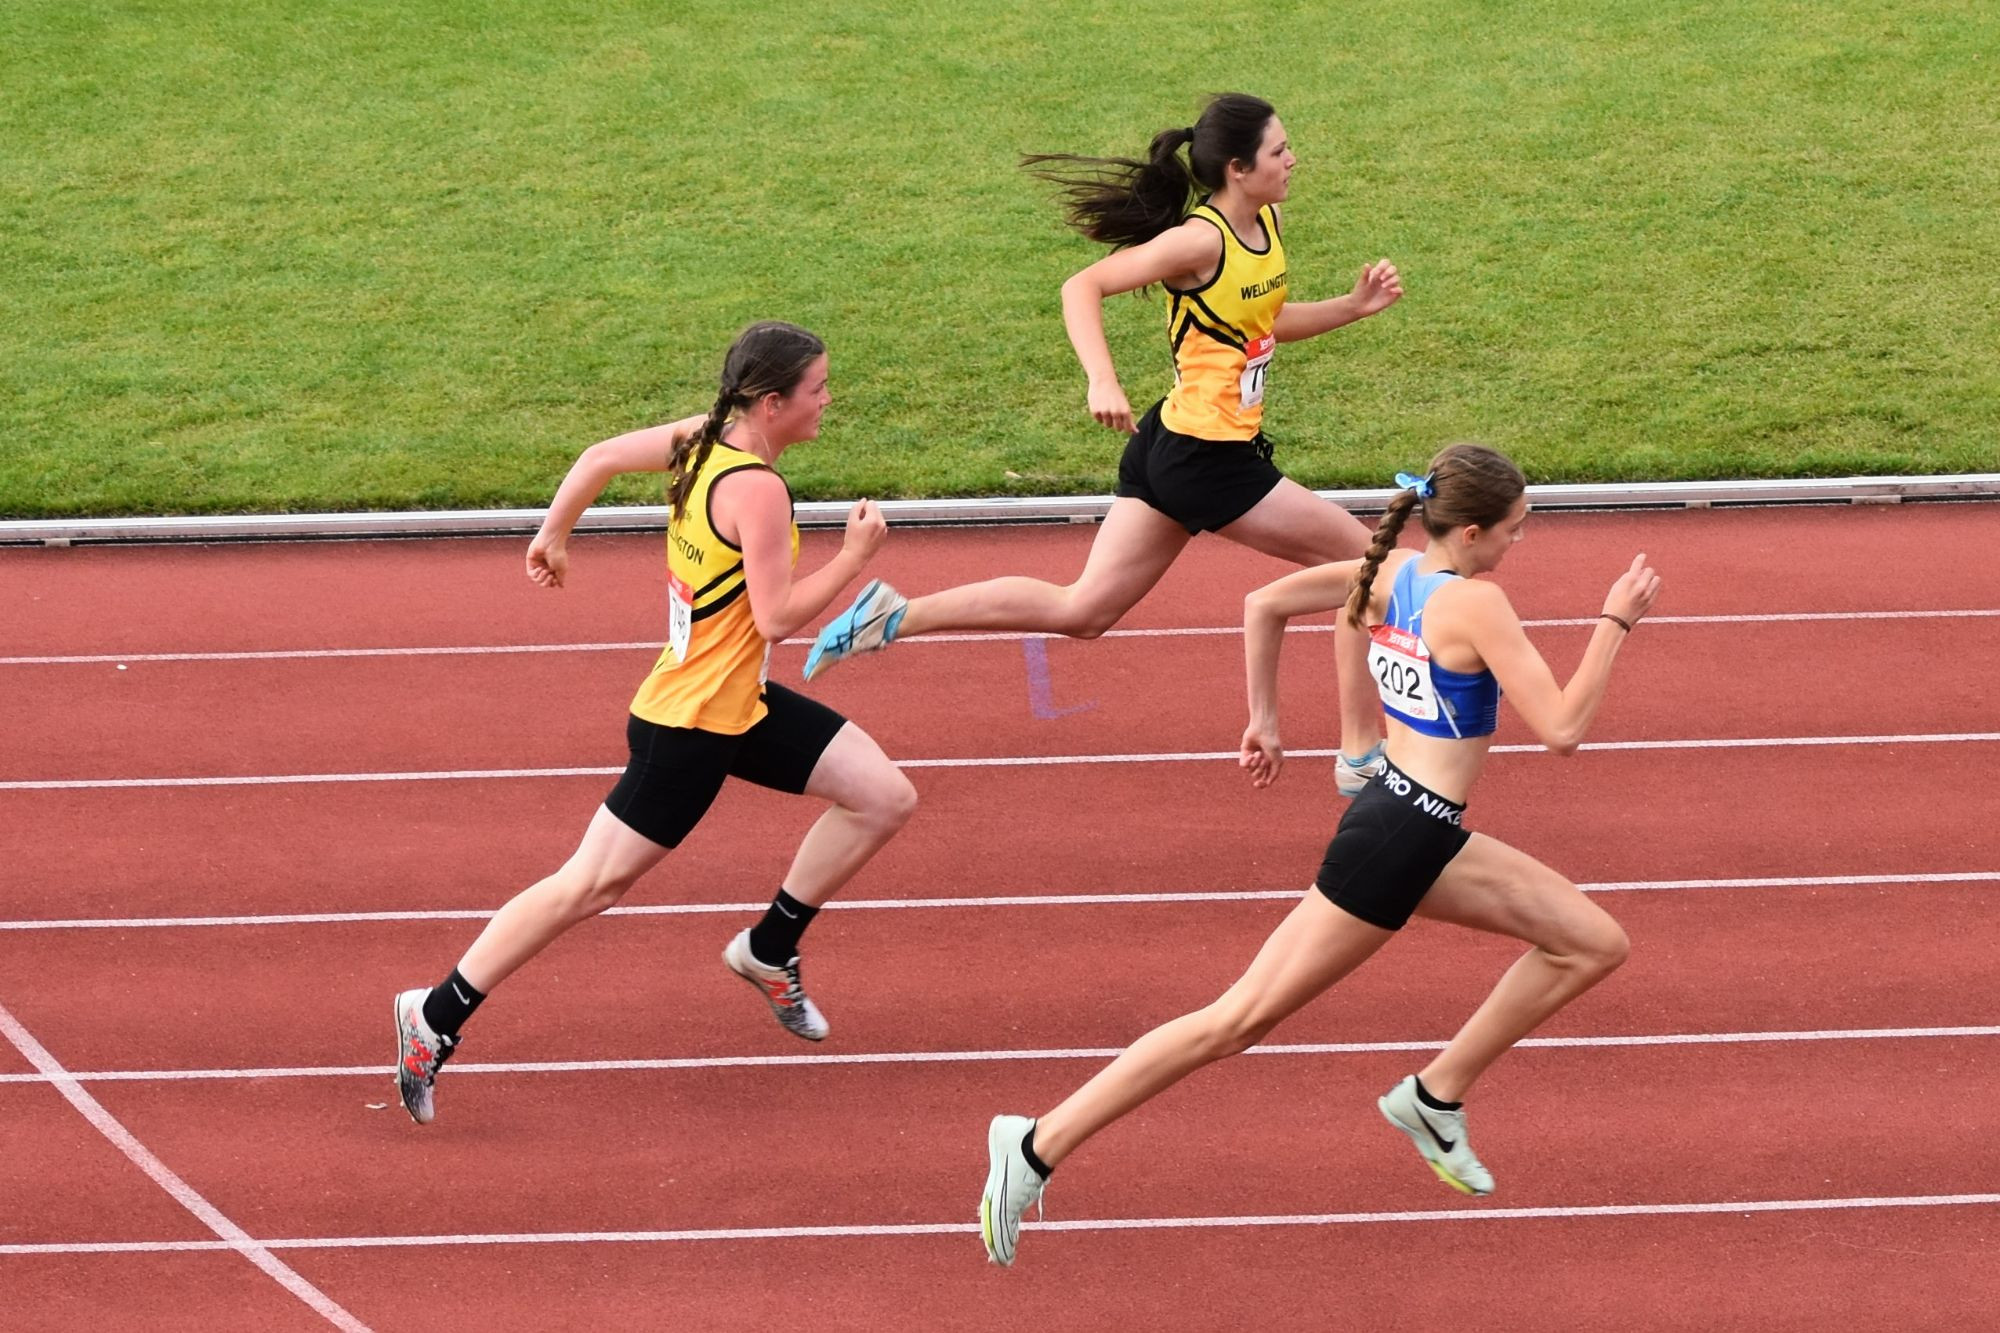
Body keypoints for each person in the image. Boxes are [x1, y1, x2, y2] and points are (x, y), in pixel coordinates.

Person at [976, 443, 1662, 1265]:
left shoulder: (1388, 573)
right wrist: (1615, 621)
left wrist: (1298, 726)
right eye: (1515, 531)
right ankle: (1035, 1143)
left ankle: (1435, 1096)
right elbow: (1562, 729)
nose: (1519, 544)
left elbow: (1264, 603)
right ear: (1473, 532)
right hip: (1398, 840)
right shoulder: (1478, 604)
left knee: (1591, 942)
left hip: (1410, 821)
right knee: (1236, 1020)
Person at [391, 321, 917, 1125]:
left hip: (738, 703)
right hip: (692, 726)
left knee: (883, 795)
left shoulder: (699, 440)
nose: (828, 400)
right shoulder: (757, 489)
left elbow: (598, 455)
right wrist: (854, 558)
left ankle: (769, 949)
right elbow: (776, 617)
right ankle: (434, 1014)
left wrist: (553, 534)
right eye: (817, 389)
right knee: (589, 885)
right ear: (772, 403)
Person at [804, 92, 1403, 792]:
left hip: (1171, 445)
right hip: (1210, 461)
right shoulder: (1199, 241)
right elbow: (1080, 286)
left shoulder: (1265, 222)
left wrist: (1350, 308)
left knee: (1083, 610)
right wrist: (1101, 379)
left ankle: (894, 614)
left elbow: (1259, 321)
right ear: (1238, 169)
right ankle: (1360, 753)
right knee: (1375, 567)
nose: (1293, 159)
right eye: (1279, 151)